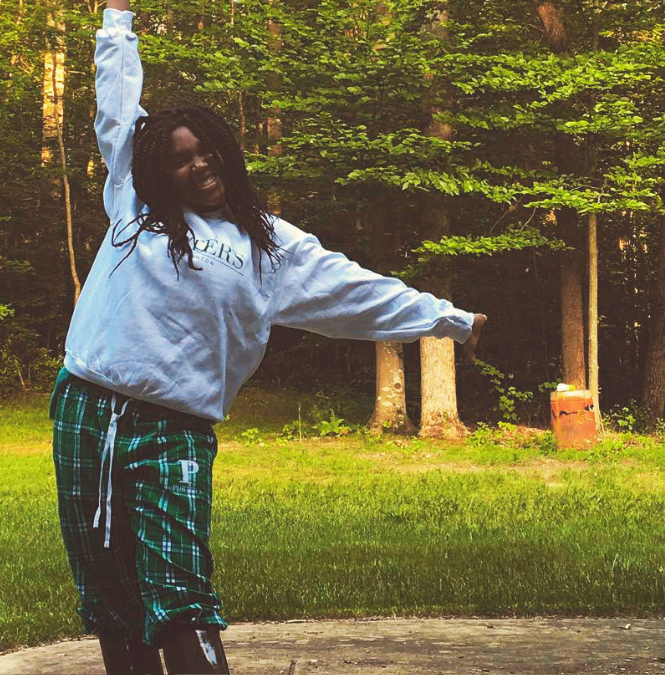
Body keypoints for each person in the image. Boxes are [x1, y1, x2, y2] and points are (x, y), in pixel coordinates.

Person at [51, 1, 488, 673]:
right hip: (85, 409)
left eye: (205, 152)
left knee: (180, 595)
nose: (196, 166)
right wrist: (116, 20)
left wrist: (445, 318)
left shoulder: (269, 245)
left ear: (226, 151)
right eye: (178, 160)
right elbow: (115, 103)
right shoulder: (132, 203)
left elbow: (356, 291)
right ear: (155, 172)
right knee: (111, 595)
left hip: (173, 429)